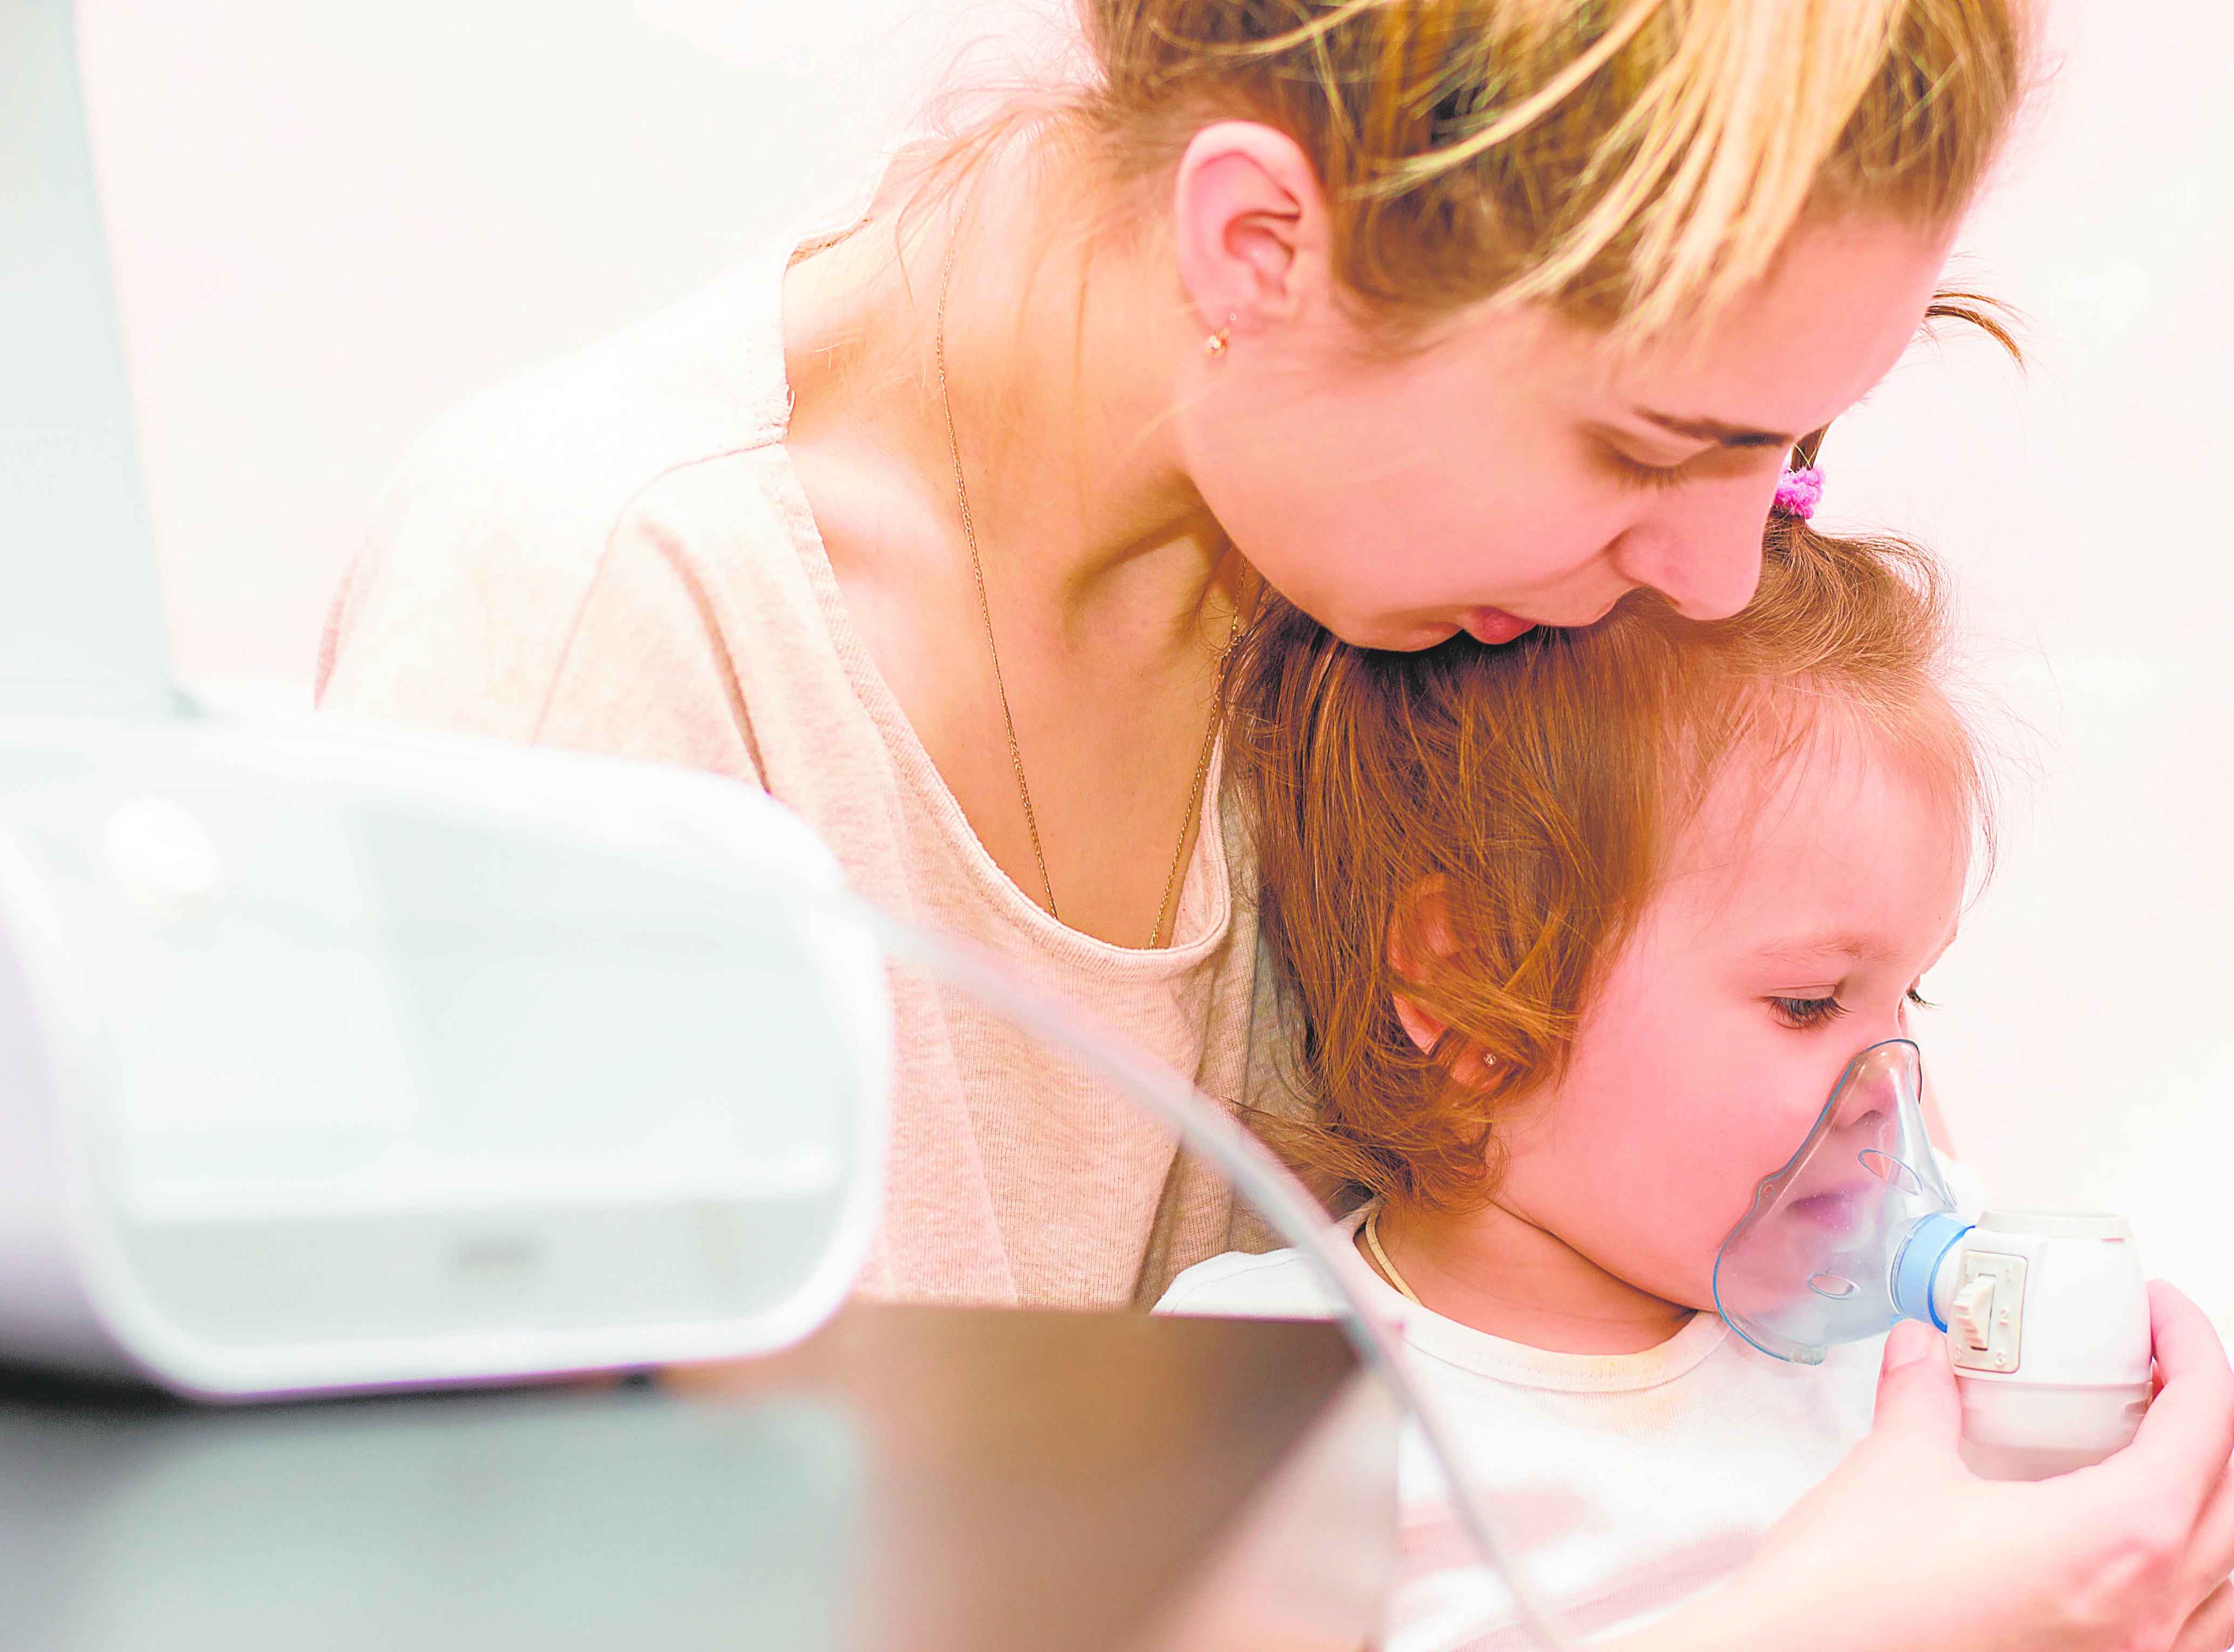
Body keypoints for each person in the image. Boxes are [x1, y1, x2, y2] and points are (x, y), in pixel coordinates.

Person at [315, 0, 2234, 1643]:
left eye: (1786, 450)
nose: (1724, 578)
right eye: (1646, 447)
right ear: (1258, 244)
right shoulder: (606, 634)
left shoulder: (1453, 615)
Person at [1160, 495, 2018, 1642]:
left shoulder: (1906, 1339)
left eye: (1909, 996)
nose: (1895, 1090)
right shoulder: (1257, 1393)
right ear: (1474, 982)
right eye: (1808, 1003)